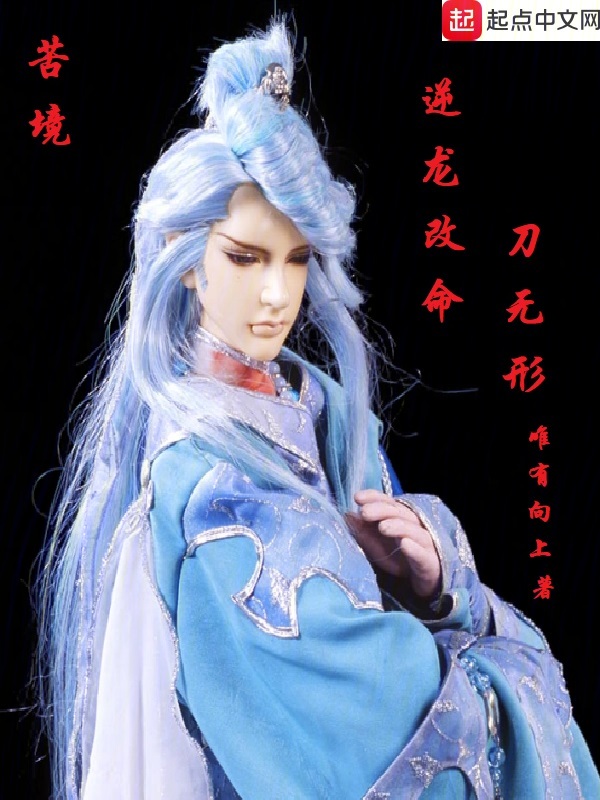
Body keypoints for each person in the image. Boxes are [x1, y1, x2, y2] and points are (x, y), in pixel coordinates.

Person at [34, 19, 599, 800]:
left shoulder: (316, 405)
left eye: (296, 259)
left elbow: (398, 582)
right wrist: (503, 661)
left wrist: (439, 583)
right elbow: (377, 729)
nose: (277, 295)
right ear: (184, 259)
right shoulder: (210, 494)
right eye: (245, 257)